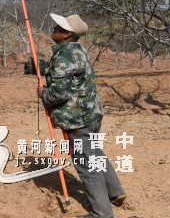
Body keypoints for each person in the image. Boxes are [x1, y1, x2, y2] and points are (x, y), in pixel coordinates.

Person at [36, 13, 126, 218]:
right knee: (95, 154)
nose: (54, 28)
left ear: (67, 34)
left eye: (58, 27)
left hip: (77, 120)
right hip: (92, 116)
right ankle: (115, 192)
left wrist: (44, 94)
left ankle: (101, 213)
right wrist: (31, 64)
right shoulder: (76, 50)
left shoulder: (64, 56)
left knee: (86, 164)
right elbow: (56, 70)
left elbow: (59, 92)